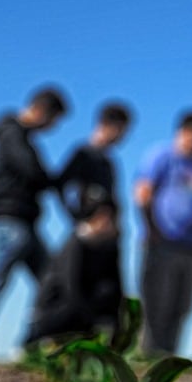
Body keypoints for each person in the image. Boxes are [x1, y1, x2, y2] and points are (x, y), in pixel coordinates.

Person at [0, 85, 69, 358]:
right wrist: (54, 179)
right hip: (10, 222)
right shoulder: (12, 133)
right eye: (54, 121)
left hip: (27, 224)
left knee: (51, 281)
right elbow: (32, 172)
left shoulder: (24, 139)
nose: (52, 128)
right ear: (43, 111)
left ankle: (31, 345)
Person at [25, 102, 133, 343]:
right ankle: (36, 339)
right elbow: (61, 185)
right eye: (122, 131)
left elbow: (113, 199)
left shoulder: (108, 162)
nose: (123, 138)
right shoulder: (83, 154)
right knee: (69, 289)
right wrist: (79, 220)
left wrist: (115, 225)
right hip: (85, 239)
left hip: (106, 240)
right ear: (110, 126)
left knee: (107, 292)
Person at [133, 110, 192, 355]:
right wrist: (151, 229)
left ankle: (168, 357)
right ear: (181, 132)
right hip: (162, 242)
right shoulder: (161, 156)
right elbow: (143, 193)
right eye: (191, 134)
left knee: (181, 306)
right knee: (156, 304)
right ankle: (147, 357)